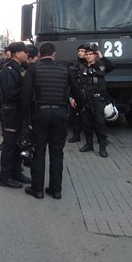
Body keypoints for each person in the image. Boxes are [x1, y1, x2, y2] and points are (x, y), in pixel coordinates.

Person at [22, 42, 83, 200]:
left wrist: (27, 120)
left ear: (40, 54)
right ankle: (56, 190)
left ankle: (37, 190)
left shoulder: (33, 69)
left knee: (39, 152)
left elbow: (26, 96)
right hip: (60, 114)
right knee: (57, 152)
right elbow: (78, 93)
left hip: (40, 114)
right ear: (54, 54)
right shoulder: (65, 70)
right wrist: (78, 108)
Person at [0, 41, 31, 189]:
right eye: (24, 51)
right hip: (11, 111)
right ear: (17, 53)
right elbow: (10, 93)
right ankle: (5, 177)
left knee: (17, 144)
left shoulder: (19, 68)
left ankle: (16, 172)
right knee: (9, 145)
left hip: (18, 111)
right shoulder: (8, 69)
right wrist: (27, 92)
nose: (27, 54)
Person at [78, 42, 115, 158]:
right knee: (86, 123)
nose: (88, 56)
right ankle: (89, 144)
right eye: (87, 54)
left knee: (100, 123)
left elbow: (112, 66)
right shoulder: (82, 67)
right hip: (85, 100)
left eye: (91, 54)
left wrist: (102, 56)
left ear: (95, 55)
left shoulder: (101, 66)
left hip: (98, 99)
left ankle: (102, 147)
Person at [67, 44, 87, 143]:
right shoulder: (74, 65)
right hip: (77, 93)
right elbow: (71, 83)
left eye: (83, 51)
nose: (80, 53)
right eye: (79, 51)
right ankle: (76, 135)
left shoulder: (91, 64)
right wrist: (71, 97)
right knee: (76, 115)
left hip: (88, 94)